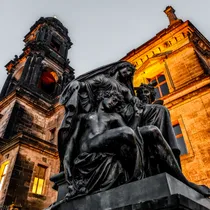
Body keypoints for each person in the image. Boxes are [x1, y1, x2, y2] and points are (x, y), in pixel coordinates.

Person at [63, 91, 144, 199]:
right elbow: (73, 138)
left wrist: (137, 115)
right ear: (104, 96)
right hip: (87, 146)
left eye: (116, 103)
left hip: (102, 145)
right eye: (113, 99)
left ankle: (136, 172)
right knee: (126, 132)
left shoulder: (114, 116)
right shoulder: (84, 116)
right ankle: (137, 175)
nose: (113, 103)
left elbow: (131, 133)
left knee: (128, 133)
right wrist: (67, 159)